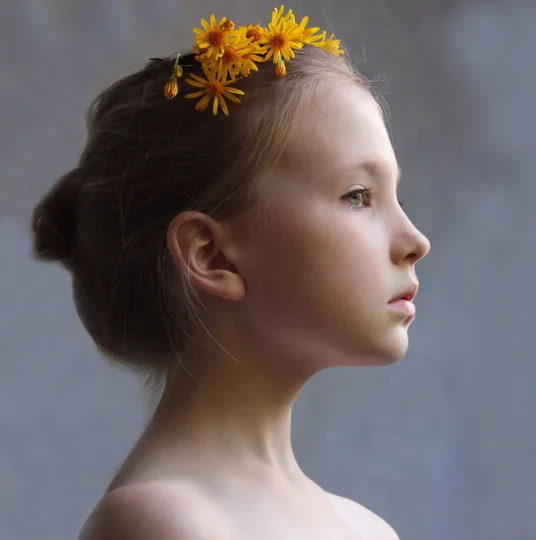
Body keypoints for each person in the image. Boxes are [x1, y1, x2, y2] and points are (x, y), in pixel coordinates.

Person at [31, 6, 430, 539]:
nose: (415, 242)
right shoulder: (159, 523)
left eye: (396, 197)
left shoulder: (367, 528)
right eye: (358, 196)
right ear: (211, 255)